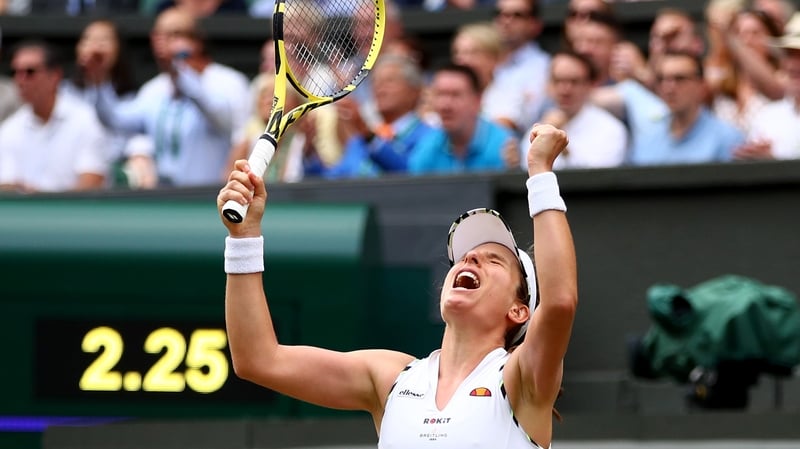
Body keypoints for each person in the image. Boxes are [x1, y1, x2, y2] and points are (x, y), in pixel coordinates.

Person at [216, 122, 577, 449]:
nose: (470, 259)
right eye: (464, 257)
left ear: (519, 310)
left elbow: (559, 301)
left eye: (493, 259)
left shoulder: (520, 377)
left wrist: (540, 173)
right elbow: (257, 360)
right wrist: (244, 238)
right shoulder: (391, 377)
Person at [92, 7, 250, 187]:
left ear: (197, 41)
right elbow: (116, 120)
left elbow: (224, 120)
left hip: (209, 198)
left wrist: (179, 70)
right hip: (166, 201)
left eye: (175, 34)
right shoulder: (153, 89)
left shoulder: (228, 82)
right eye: (160, 35)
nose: (166, 42)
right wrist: (99, 80)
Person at [0, 40, 108, 192]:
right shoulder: (9, 129)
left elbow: (92, 182)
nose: (20, 80)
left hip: (77, 215)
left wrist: (42, 200)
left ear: (55, 75)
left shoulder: (84, 119)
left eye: (30, 72)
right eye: (15, 73)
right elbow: (6, 185)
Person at [627, 51, 744, 166]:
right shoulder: (647, 139)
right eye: (662, 79)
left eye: (679, 79)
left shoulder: (727, 139)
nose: (669, 88)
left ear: (701, 86)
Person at [517, 50, 627, 170]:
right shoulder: (541, 125)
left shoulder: (611, 129)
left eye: (574, 82)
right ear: (548, 85)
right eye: (558, 81)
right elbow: (526, 169)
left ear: (590, 85)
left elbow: (599, 178)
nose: (565, 90)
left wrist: (561, 146)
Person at [409, 63, 516, 175]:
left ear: (477, 100)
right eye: (440, 94)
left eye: (455, 95)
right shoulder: (426, 147)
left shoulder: (504, 145)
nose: (445, 105)